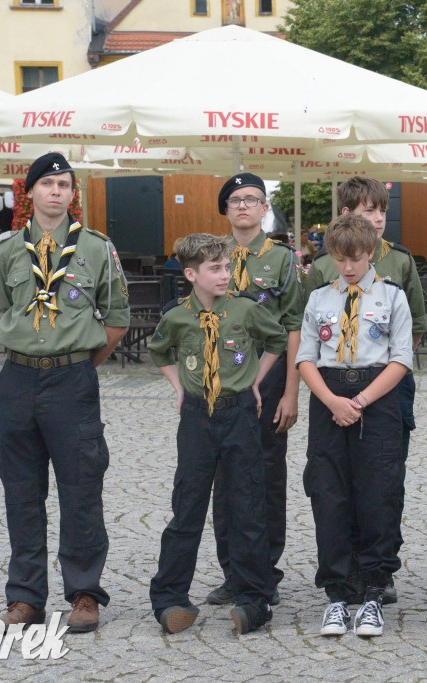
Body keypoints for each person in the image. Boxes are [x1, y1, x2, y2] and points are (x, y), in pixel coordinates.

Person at [0, 152, 130, 633]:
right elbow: (3, 309)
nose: (56, 191)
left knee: (81, 489)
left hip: (72, 381)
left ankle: (85, 593)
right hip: (18, 379)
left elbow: (116, 318)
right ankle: (26, 596)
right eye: (47, 184)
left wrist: (76, 365)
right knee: (21, 491)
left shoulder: (96, 248)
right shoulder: (7, 249)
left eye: (64, 184)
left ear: (74, 194)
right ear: (29, 193)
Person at [147, 234, 287, 635]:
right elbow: (160, 352)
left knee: (247, 507)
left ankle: (254, 598)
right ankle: (170, 597)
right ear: (191, 274)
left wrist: (256, 382)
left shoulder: (245, 309)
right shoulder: (176, 316)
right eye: (215, 268)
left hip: (240, 413)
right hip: (196, 416)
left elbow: (277, 341)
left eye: (227, 266)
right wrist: (178, 388)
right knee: (187, 508)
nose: (225, 274)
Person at [304, 176, 427, 605]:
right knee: (331, 487)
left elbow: (409, 339)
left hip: (382, 386)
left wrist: (369, 393)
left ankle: (377, 572)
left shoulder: (398, 271)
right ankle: (343, 575)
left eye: (380, 211)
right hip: (330, 391)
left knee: (381, 484)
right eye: (364, 211)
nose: (349, 265)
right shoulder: (321, 280)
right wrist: (335, 400)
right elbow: (307, 347)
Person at [206, 173, 305, 610]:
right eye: (235, 200)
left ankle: (265, 570)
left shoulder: (282, 259)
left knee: (266, 475)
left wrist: (291, 393)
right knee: (224, 477)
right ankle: (232, 572)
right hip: (220, 381)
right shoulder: (210, 255)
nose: (244, 206)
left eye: (253, 199)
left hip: (269, 377)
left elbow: (294, 325)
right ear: (225, 209)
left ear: (265, 209)